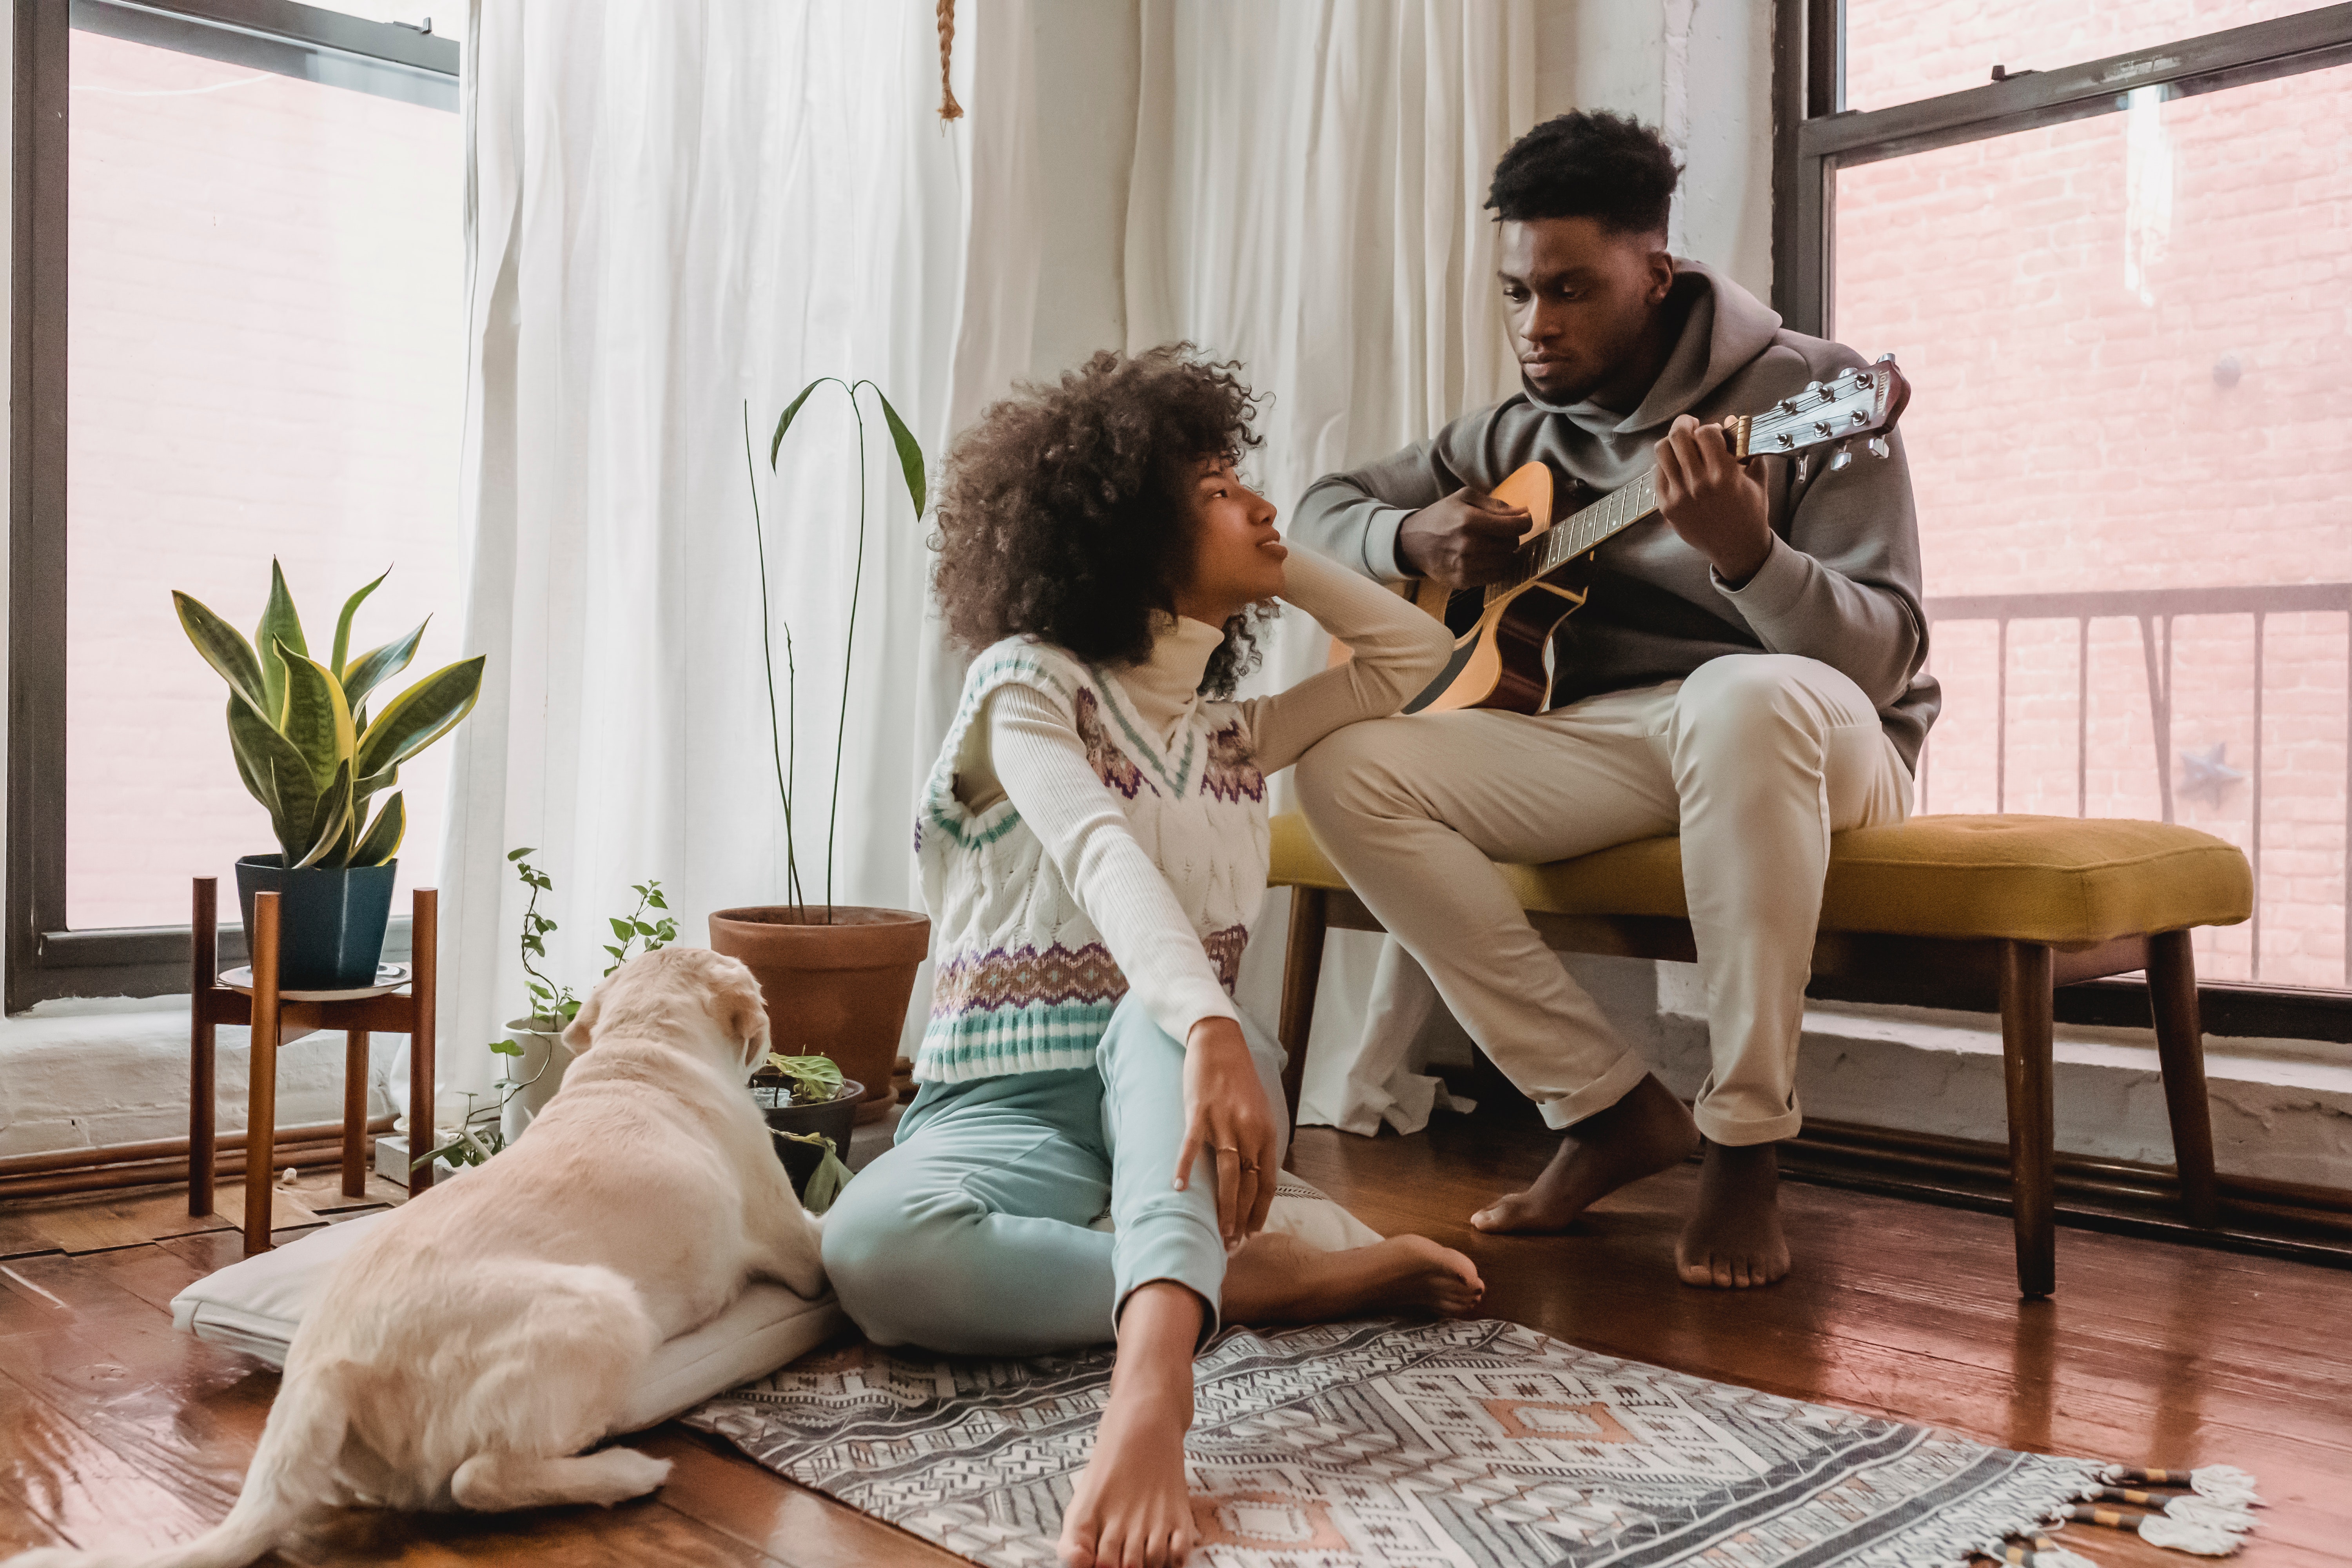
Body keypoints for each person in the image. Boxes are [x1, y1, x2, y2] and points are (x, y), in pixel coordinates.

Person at [820, 346, 1484, 1568]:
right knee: (868, 1251)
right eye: (1222, 486)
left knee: (1156, 1019)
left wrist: (1287, 571)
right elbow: (1093, 851)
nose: (1264, 506)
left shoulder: (1236, 731)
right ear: (1127, 526)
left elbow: (1414, 660)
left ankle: (1152, 1388)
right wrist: (1221, 1026)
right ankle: (1253, 1285)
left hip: (1178, 1102)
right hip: (1001, 1116)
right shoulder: (1026, 684)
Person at [1290, 111, 1937, 1290]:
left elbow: (1883, 660)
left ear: (1657, 267)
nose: (1538, 327)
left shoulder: (1818, 392)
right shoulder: (1514, 433)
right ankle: (1604, 1107)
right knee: (1342, 765)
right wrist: (1410, 533)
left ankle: (1745, 1140)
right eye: (1519, 293)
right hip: (1615, 745)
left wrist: (1753, 555)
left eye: (1573, 290)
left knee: (1742, 700)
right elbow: (1315, 512)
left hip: (1815, 735)